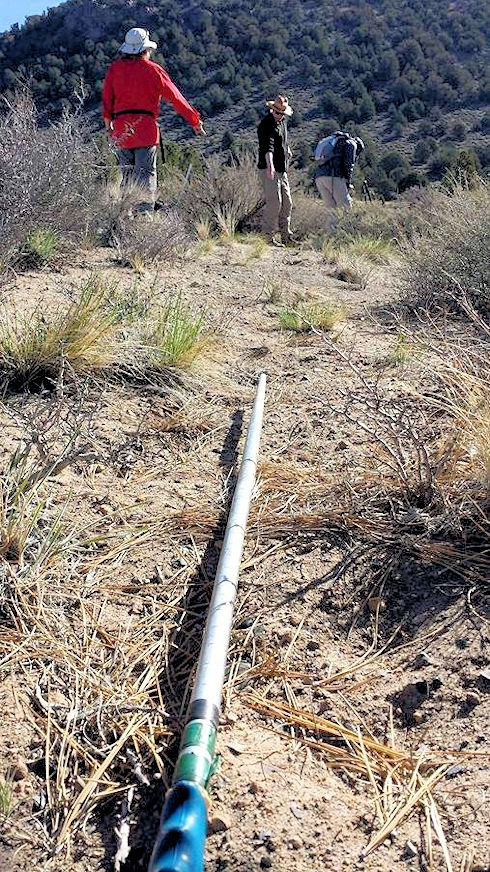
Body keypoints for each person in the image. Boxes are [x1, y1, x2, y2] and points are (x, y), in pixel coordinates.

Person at [102, 27, 205, 213]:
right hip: (145, 130)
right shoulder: (154, 70)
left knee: (127, 176)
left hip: (121, 130)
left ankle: (126, 216)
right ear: (145, 49)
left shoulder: (115, 69)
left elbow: (107, 100)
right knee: (146, 175)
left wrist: (109, 127)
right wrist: (194, 121)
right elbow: (176, 97)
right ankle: (144, 218)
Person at [257, 94, 296, 246]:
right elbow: (268, 147)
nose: (279, 115)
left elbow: (282, 140)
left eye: (281, 113)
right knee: (274, 203)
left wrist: (287, 149)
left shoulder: (282, 122)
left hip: (281, 168)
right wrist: (270, 166)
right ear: (272, 110)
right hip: (269, 168)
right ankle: (267, 237)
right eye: (277, 112)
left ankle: (286, 236)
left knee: (287, 202)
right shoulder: (266, 125)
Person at [314, 130, 364, 231]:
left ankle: (330, 236)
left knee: (332, 210)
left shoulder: (334, 141)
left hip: (319, 177)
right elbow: (348, 165)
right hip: (334, 176)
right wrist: (347, 183)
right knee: (345, 206)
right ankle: (346, 234)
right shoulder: (351, 144)